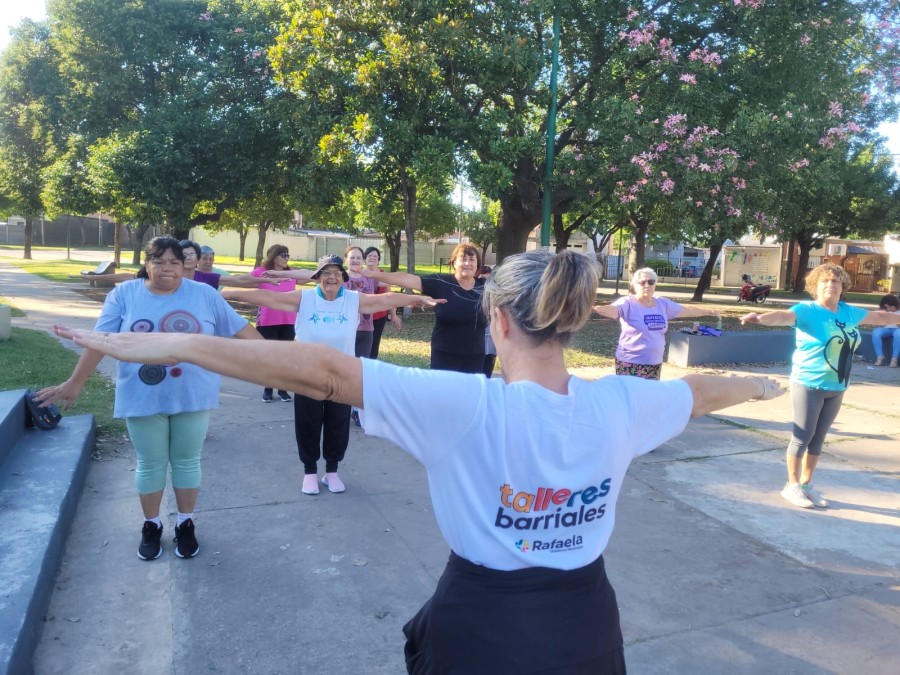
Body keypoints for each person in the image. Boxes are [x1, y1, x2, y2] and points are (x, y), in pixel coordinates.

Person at [53, 249, 784, 672]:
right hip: (587, 627)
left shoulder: (464, 404)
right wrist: (762, 385)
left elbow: (324, 373)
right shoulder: (622, 403)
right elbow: (700, 391)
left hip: (484, 628)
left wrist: (175, 341)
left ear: (499, 321)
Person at [35, 236, 262, 561]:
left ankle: (185, 523)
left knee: (187, 461)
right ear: (147, 263)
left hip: (192, 395)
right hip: (141, 395)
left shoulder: (204, 294)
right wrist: (75, 383)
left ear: (184, 265)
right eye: (159, 261)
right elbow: (100, 340)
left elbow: (243, 332)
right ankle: (151, 525)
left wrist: (284, 360)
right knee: (151, 462)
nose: (167, 268)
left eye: (174, 262)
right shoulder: (124, 294)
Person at [223, 254, 444, 496]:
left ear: (343, 277)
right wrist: (226, 293)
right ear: (317, 277)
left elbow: (386, 299)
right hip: (307, 374)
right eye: (326, 272)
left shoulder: (353, 300)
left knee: (338, 423)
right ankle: (309, 471)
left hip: (341, 375)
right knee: (308, 422)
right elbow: (268, 297)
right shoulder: (305, 298)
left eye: (337, 273)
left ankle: (331, 471)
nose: (332, 277)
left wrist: (416, 299)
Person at [741, 263, 900, 509]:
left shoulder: (848, 312)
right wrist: (761, 318)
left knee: (818, 440)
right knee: (802, 437)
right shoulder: (807, 310)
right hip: (809, 383)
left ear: (843, 287)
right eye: (824, 281)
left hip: (838, 385)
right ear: (815, 286)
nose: (830, 285)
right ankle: (791, 485)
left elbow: (880, 317)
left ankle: (806, 485)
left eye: (835, 281)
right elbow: (784, 316)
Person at [363, 242, 487, 373]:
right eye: (463, 259)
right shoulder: (441, 282)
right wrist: (372, 274)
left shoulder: (486, 287)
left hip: (475, 356)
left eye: (472, 259)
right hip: (444, 354)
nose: (467, 263)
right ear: (454, 263)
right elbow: (407, 279)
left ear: (477, 264)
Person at [593, 267, 720, 380]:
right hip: (630, 363)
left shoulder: (662, 303)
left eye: (651, 282)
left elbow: (686, 310)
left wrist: (710, 311)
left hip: (654, 363)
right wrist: (595, 308)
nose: (647, 285)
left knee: (650, 397)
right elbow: (614, 310)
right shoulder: (627, 303)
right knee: (632, 397)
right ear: (634, 285)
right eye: (642, 282)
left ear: (655, 284)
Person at [251, 244, 311, 402]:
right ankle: (268, 389)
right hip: (267, 322)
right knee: (269, 357)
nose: (286, 258)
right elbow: (244, 280)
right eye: (283, 255)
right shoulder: (262, 272)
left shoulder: (291, 273)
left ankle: (283, 390)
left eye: (287, 255)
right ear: (273, 256)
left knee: (285, 357)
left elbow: (311, 276)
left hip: (288, 322)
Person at [178, 240, 268, 290]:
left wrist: (267, 281)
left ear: (197, 259)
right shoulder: (172, 278)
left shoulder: (207, 278)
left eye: (192, 254)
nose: (188, 258)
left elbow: (237, 280)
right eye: (184, 255)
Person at [364, 246, 402, 360]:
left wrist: (393, 315)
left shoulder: (383, 275)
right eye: (370, 255)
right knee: (362, 345)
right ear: (365, 258)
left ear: (379, 260)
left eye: (375, 256)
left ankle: (371, 367)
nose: (372, 258)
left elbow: (389, 296)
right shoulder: (359, 274)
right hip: (362, 317)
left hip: (379, 317)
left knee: (374, 346)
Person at [478, 265, 498, 378]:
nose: (484, 283)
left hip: (491, 340)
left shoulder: (495, 295)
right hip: (477, 342)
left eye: (488, 279)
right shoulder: (473, 295)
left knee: (487, 371)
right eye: (482, 279)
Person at [872, 294, 900, 367]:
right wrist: (880, 322)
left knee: (898, 334)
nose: (889, 309)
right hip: (886, 328)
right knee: (876, 332)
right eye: (887, 307)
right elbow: (876, 323)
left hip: (897, 329)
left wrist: (897, 321)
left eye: (890, 307)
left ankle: (894, 358)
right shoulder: (883, 310)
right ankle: (880, 357)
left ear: (895, 305)